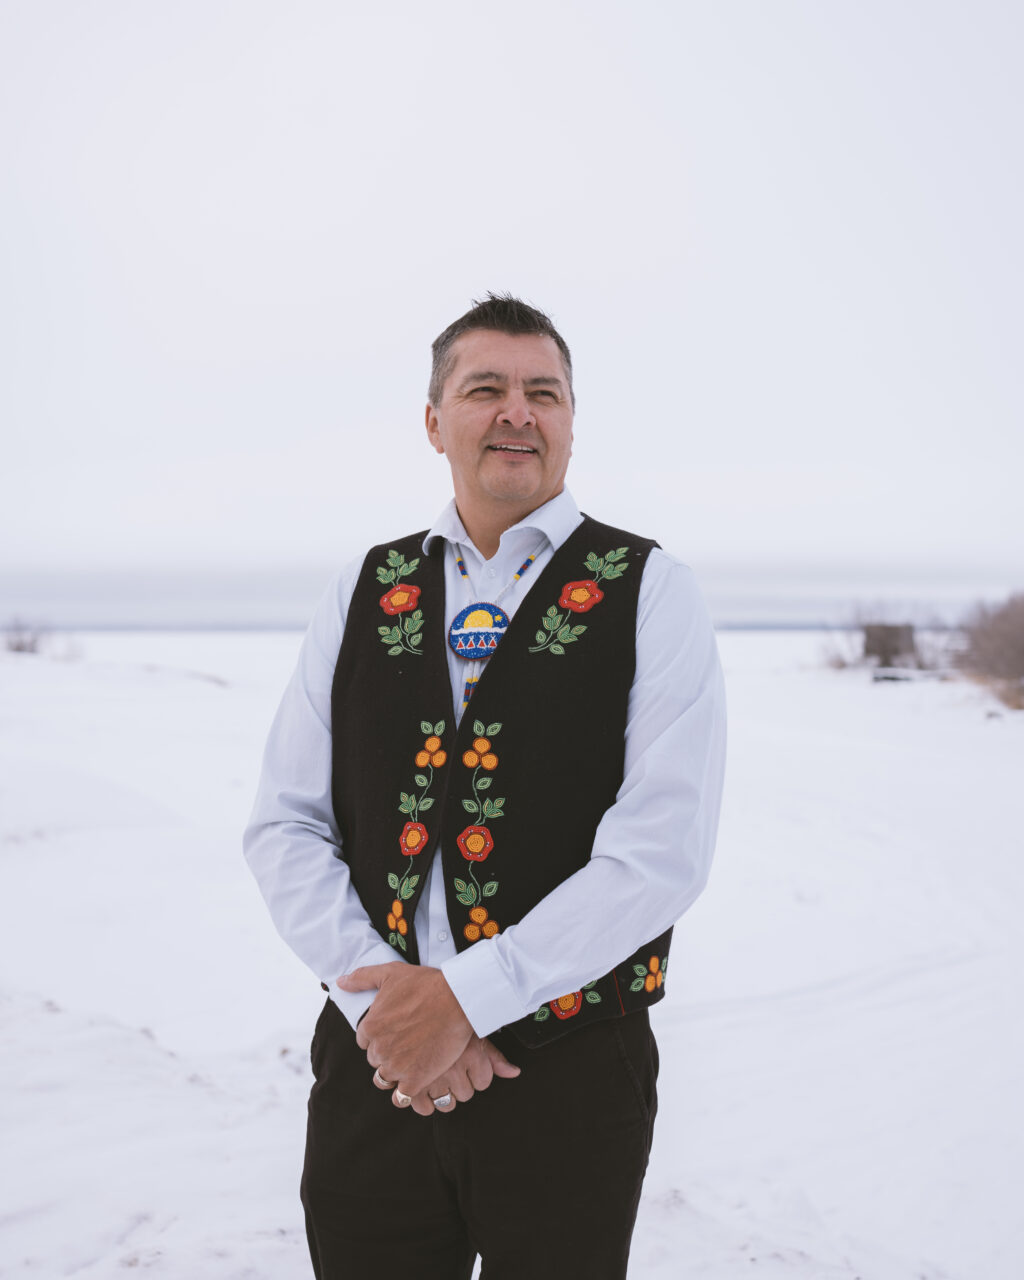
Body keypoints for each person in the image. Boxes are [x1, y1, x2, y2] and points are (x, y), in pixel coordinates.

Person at [243, 293, 726, 1279]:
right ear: (434, 422)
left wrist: (465, 1000)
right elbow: (285, 824)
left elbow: (660, 852)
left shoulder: (650, 587)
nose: (518, 411)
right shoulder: (367, 587)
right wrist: (387, 1008)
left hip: (568, 1073)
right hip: (372, 1059)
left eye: (544, 392)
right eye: (486, 389)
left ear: (571, 422)